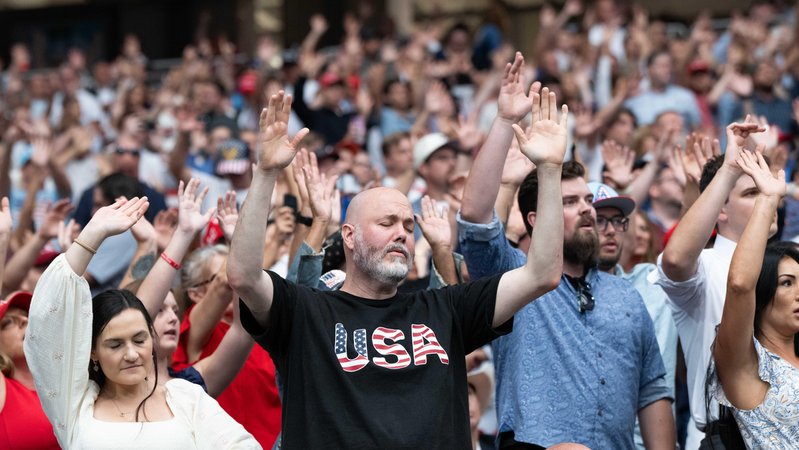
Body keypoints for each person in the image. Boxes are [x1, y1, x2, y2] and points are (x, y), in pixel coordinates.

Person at [228, 89, 565, 449]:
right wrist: (265, 173)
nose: (402, 234)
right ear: (349, 236)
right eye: (387, 223)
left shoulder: (445, 309)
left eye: (407, 225)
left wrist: (548, 170)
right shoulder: (305, 312)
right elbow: (244, 275)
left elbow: (541, 274)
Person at [457, 52, 674, 449]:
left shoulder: (626, 295)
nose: (588, 209)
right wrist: (506, 122)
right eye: (570, 201)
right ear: (537, 220)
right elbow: (474, 221)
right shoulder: (514, 278)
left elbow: (651, 389)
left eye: (587, 200)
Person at [24, 196, 259, 449]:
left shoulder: (186, 397)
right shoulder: (75, 402)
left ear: (152, 339)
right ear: (92, 351)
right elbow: (46, 318)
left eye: (139, 340)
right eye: (115, 345)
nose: (131, 354)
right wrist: (93, 233)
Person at [650, 116, 768, 449]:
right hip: (730, 437)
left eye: (767, 187)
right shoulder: (704, 267)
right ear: (722, 210)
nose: (766, 200)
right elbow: (674, 260)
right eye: (752, 192)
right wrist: (729, 169)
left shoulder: (790, 265)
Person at [710, 150, 799, 449]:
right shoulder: (748, 363)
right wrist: (768, 199)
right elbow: (739, 284)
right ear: (761, 297)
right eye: (786, 283)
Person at [590, 182, 679, 450]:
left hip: (653, 439)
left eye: (618, 221)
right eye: (599, 221)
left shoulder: (650, 282)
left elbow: (682, 254)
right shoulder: (557, 294)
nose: (611, 231)